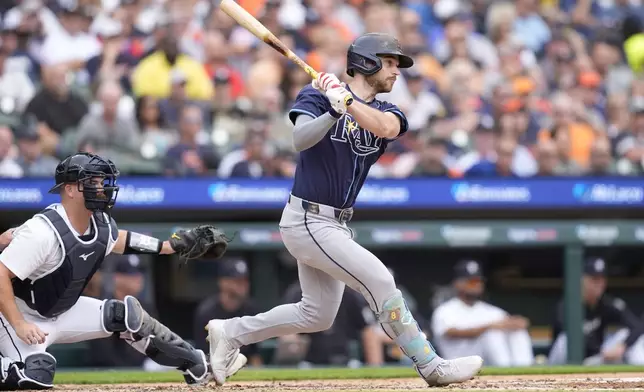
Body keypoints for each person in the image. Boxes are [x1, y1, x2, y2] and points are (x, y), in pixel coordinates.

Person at [204, 33, 483, 387]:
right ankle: (430, 365)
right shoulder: (317, 96)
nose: (397, 71)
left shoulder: (387, 111)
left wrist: (347, 101)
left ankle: (230, 332)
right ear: (366, 62)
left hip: (335, 223)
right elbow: (300, 139)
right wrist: (333, 109)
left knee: (316, 314)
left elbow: (384, 128)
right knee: (381, 280)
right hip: (307, 218)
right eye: (390, 62)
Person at [0, 152, 245, 390]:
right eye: (92, 182)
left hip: (61, 311)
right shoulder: (41, 232)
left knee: (125, 316)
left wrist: (169, 246)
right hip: (15, 316)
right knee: (38, 373)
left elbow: (120, 240)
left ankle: (199, 365)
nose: (101, 188)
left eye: (100, 182)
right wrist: (19, 323)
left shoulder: (101, 224)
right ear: (71, 189)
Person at [431, 260, 534, 367]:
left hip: (486, 361)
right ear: (457, 284)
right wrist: (488, 327)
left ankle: (525, 370)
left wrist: (515, 323)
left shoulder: (490, 310)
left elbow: (522, 323)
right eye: (472, 282)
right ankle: (504, 370)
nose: (477, 285)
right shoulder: (445, 310)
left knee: (518, 332)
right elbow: (450, 332)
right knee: (491, 334)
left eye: (479, 281)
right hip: (459, 363)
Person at [548, 258, 644, 365]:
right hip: (565, 360)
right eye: (594, 279)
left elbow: (638, 326)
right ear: (582, 280)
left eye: (601, 279)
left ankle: (640, 374)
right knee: (565, 339)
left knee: (625, 334)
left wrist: (622, 346)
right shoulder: (568, 305)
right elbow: (568, 333)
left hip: (595, 358)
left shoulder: (607, 303)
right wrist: (601, 351)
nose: (599, 284)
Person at [193, 258, 263, 367]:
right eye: (237, 280)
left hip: (244, 368)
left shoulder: (251, 309)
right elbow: (203, 353)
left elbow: (255, 354)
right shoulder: (207, 311)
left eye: (245, 280)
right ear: (223, 282)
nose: (243, 285)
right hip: (214, 367)